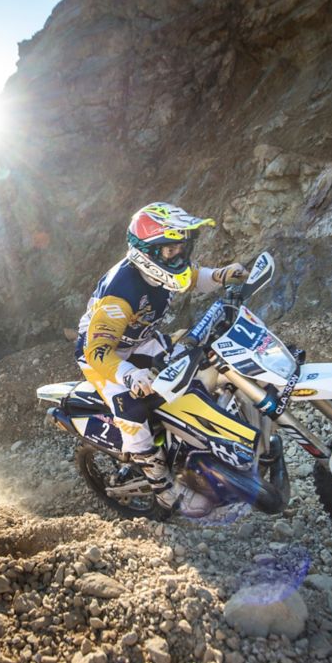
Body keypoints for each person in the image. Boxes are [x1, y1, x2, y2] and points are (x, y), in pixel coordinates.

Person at [75, 202, 246, 515]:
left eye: (182, 247)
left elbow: (192, 277)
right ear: (148, 252)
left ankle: (194, 439)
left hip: (142, 340)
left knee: (197, 364)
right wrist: (128, 375)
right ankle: (163, 487)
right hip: (105, 355)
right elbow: (96, 351)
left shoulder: (162, 272)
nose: (179, 255)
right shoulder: (121, 291)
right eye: (171, 250)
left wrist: (222, 275)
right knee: (133, 409)